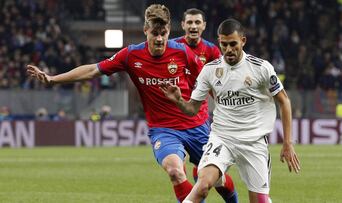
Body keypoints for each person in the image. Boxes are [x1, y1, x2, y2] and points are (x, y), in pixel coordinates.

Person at [26, 4, 237, 202]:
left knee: (216, 181)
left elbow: (207, 82)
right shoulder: (131, 55)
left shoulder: (182, 53)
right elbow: (92, 69)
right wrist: (53, 79)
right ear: (146, 30)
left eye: (163, 34)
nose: (160, 39)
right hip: (164, 130)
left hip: (196, 125)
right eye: (155, 33)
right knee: (175, 171)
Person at [160, 19, 301, 203]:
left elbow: (284, 102)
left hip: (254, 142)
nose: (228, 49)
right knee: (202, 186)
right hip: (222, 138)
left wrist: (287, 143)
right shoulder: (210, 70)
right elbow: (192, 109)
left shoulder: (261, 68)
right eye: (224, 44)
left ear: (243, 40)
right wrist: (178, 100)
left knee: (259, 200)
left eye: (233, 44)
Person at [172, 8, 237, 200]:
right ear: (183, 25)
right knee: (176, 171)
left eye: (197, 22)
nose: (193, 26)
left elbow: (220, 86)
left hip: (198, 121)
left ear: (204, 26)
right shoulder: (171, 47)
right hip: (172, 121)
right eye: (189, 22)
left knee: (213, 177)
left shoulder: (211, 51)